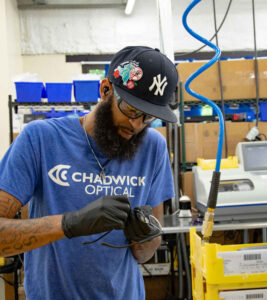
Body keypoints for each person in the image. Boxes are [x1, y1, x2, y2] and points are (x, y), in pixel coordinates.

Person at [0, 46, 178, 300]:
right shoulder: (40, 139)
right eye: (131, 109)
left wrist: (144, 235)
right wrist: (69, 223)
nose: (136, 125)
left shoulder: (153, 148)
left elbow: (147, 251)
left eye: (148, 117)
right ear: (105, 90)